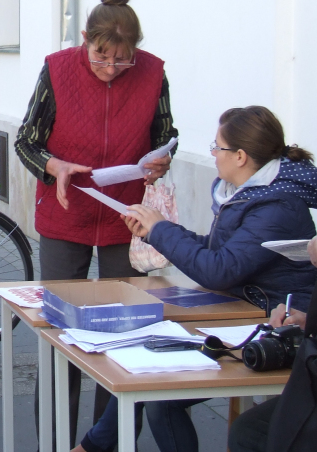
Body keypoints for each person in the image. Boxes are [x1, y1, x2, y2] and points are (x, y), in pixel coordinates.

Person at [72, 105, 317, 452]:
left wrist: (161, 230)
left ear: (241, 156)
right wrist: (156, 231)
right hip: (242, 309)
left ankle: (93, 446)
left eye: (217, 147)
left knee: (158, 394)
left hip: (273, 320)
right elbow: (219, 252)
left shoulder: (276, 205)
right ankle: (95, 444)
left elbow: (218, 269)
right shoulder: (251, 193)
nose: (214, 154)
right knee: (150, 368)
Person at [14, 0, 178, 448]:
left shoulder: (154, 72)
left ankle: (105, 443)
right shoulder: (57, 68)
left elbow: (167, 134)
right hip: (66, 215)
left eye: (122, 61)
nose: (110, 68)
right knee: (61, 338)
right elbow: (26, 141)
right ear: (85, 39)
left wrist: (162, 158)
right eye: (101, 56)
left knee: (122, 338)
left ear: (136, 51)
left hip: (126, 217)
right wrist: (55, 166)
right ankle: (54, 442)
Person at [228, 236, 315, 452]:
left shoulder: (278, 205)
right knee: (247, 428)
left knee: (249, 433)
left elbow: (223, 268)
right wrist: (308, 321)